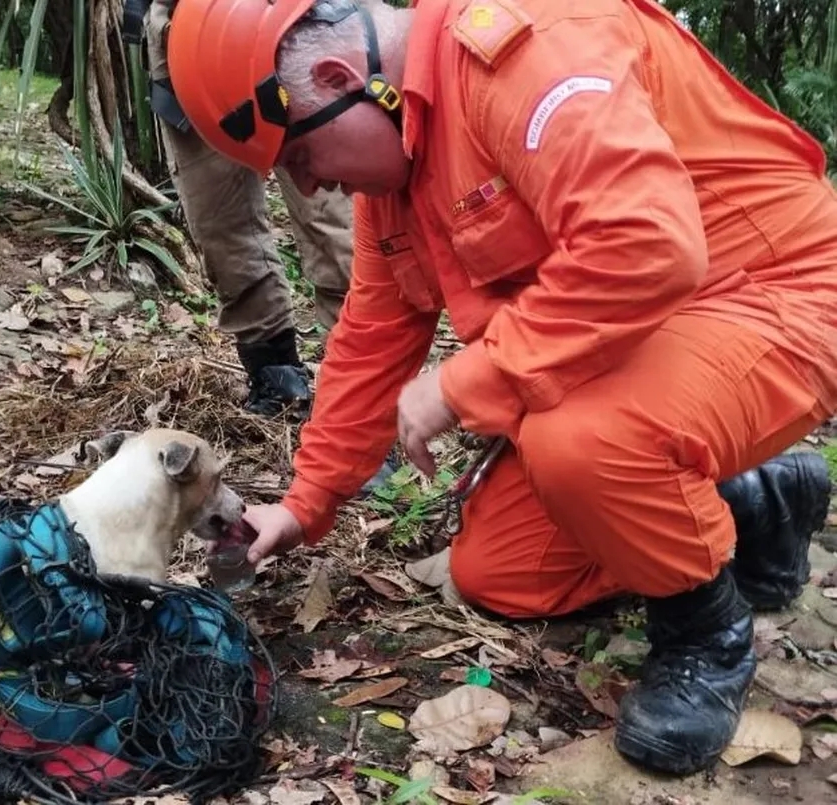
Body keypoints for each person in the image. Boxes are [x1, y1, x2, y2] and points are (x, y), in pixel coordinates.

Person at [165, 0, 837, 777]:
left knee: (580, 443)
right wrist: (303, 502)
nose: (312, 187)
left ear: (337, 78)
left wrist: (464, 382)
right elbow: (371, 341)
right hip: (638, 342)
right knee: (502, 573)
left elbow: (644, 242)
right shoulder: (399, 172)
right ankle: (750, 500)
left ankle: (705, 634)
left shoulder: (528, 51)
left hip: (772, 293)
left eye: (299, 160)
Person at [140, 0, 399, 489]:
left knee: (337, 222)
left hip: (287, 19)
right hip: (180, 27)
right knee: (218, 221)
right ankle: (273, 372)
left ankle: (368, 418)